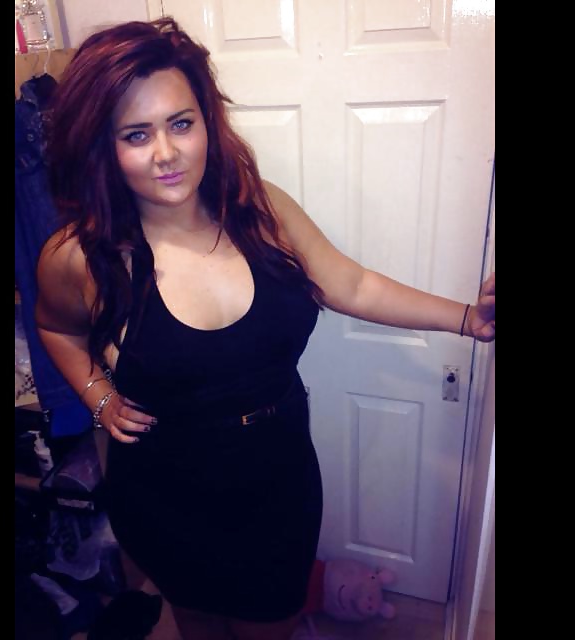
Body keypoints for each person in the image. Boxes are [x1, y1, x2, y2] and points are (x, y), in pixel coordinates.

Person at [35, 17, 495, 640]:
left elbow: (353, 285)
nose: (166, 153)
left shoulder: (260, 210)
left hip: (277, 480)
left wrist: (467, 319)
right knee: (195, 621)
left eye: (180, 124)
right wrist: (98, 397)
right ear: (102, 148)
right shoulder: (78, 256)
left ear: (206, 122)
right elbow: (57, 329)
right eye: (136, 135)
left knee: (272, 622)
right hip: (164, 493)